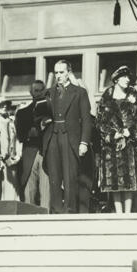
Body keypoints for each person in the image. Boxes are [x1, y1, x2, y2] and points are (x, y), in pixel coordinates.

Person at [41, 60, 92, 214]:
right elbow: (40, 116)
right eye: (56, 72)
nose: (58, 76)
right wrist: (43, 122)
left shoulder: (79, 92)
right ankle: (56, 210)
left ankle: (69, 211)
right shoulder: (48, 93)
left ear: (69, 73)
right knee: (54, 176)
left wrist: (84, 142)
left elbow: (86, 119)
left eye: (62, 72)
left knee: (70, 177)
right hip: (53, 138)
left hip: (71, 139)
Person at [96, 66, 137, 213]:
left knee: (129, 180)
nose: (127, 80)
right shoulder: (106, 96)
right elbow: (100, 122)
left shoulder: (134, 95)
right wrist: (113, 135)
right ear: (116, 79)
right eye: (124, 77)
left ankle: (128, 212)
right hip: (111, 146)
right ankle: (118, 213)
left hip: (129, 145)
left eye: (128, 77)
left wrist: (129, 131)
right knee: (113, 180)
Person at [15, 80, 50, 209]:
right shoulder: (22, 113)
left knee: (46, 190)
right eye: (36, 90)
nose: (39, 93)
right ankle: (28, 216)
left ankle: (46, 218)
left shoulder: (51, 110)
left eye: (42, 90)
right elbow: (20, 136)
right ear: (31, 93)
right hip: (30, 152)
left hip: (46, 152)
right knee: (29, 189)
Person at [0, 93, 22, 200]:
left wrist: (18, 155)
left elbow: (17, 139)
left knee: (12, 190)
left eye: (5, 104)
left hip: (12, 161)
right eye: (1, 104)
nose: (4, 106)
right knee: (0, 190)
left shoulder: (11, 121)